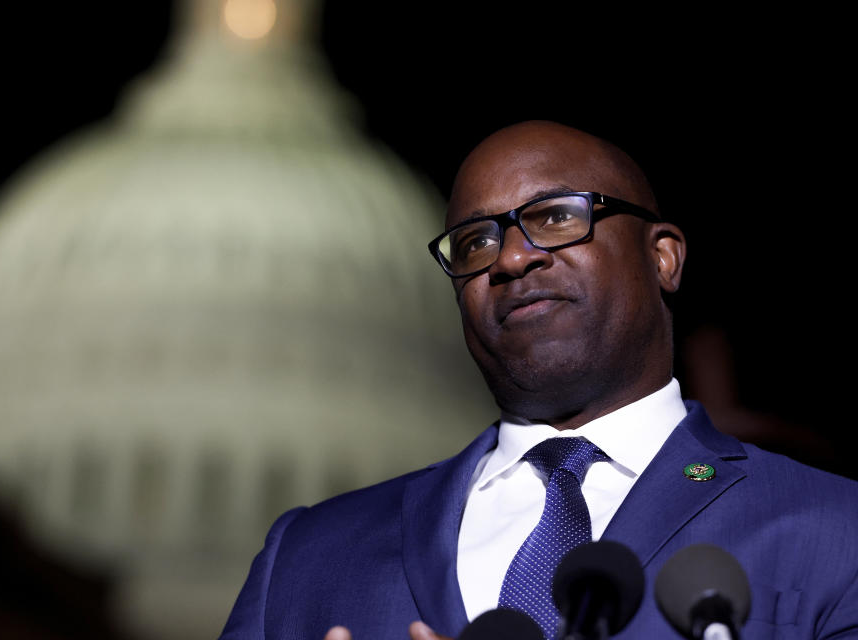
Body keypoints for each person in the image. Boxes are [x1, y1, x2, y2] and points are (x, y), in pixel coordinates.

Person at [219, 121, 858, 639]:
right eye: (474, 243)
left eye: (555, 216)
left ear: (662, 257)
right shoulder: (306, 558)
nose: (513, 256)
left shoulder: (835, 531)